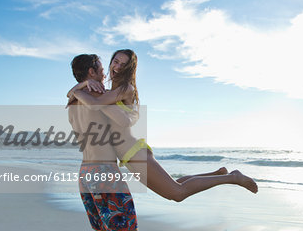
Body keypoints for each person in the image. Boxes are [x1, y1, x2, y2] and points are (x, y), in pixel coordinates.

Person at [68, 49, 258, 205]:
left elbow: (92, 103)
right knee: (173, 186)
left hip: (134, 153)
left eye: (122, 64)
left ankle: (232, 178)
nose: (116, 67)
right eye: (115, 61)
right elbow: (87, 100)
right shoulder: (110, 92)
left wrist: (77, 90)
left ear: (129, 69)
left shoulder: (125, 88)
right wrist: (82, 85)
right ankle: (217, 174)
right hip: (130, 155)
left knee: (176, 193)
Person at [67, 54, 138, 231]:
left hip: (85, 172)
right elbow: (125, 120)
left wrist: (78, 87)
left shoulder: (72, 101)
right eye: (100, 67)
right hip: (104, 172)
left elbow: (71, 92)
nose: (106, 71)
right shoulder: (96, 94)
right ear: (91, 72)